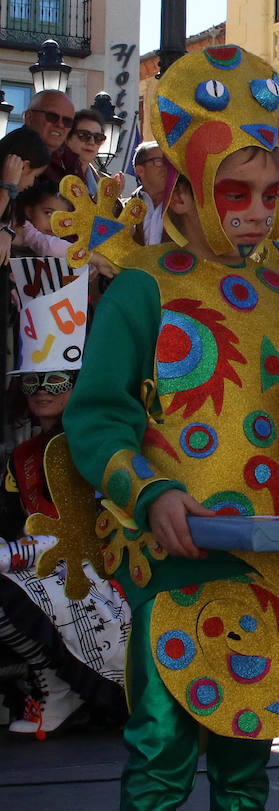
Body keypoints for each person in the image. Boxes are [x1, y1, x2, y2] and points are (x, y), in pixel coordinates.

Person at [61, 46, 279, 808]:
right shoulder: (142, 290)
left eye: (269, 192)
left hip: (268, 557)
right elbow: (98, 415)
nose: (259, 210)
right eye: (237, 191)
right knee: (162, 746)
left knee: (245, 756)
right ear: (190, 191)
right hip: (172, 553)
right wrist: (155, 493)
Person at [0, 281, 130, 736]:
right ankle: (53, 681)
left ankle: (65, 685)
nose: (41, 391)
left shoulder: (107, 444)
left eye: (56, 380)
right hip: (44, 569)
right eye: (33, 381)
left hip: (110, 583)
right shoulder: (22, 458)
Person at [0, 127, 52, 265]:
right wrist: (6, 188)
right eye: (34, 175)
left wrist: (6, 232)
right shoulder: (6, 195)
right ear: (24, 166)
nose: (32, 183)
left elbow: (32, 236)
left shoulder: (12, 202)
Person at [12, 178, 73, 258]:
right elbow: (48, 245)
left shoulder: (58, 243)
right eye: (48, 213)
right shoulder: (23, 228)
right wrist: (90, 256)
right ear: (29, 211)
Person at [53, 109, 108, 197]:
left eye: (98, 137)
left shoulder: (104, 183)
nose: (92, 142)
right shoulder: (52, 173)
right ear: (67, 138)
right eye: (84, 135)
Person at [128, 141, 169, 245]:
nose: (167, 168)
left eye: (169, 162)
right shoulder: (125, 209)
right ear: (140, 170)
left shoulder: (185, 206)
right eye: (159, 162)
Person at [22, 90, 73, 155]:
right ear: (29, 117)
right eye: (52, 116)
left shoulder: (71, 162)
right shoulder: (9, 156)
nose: (60, 125)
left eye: (67, 121)